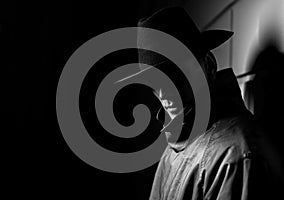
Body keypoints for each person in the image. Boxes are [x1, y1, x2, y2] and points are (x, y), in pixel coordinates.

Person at [118, 6, 275, 200]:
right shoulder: (175, 143)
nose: (163, 91)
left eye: (174, 74)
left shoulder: (236, 154)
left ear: (209, 65)